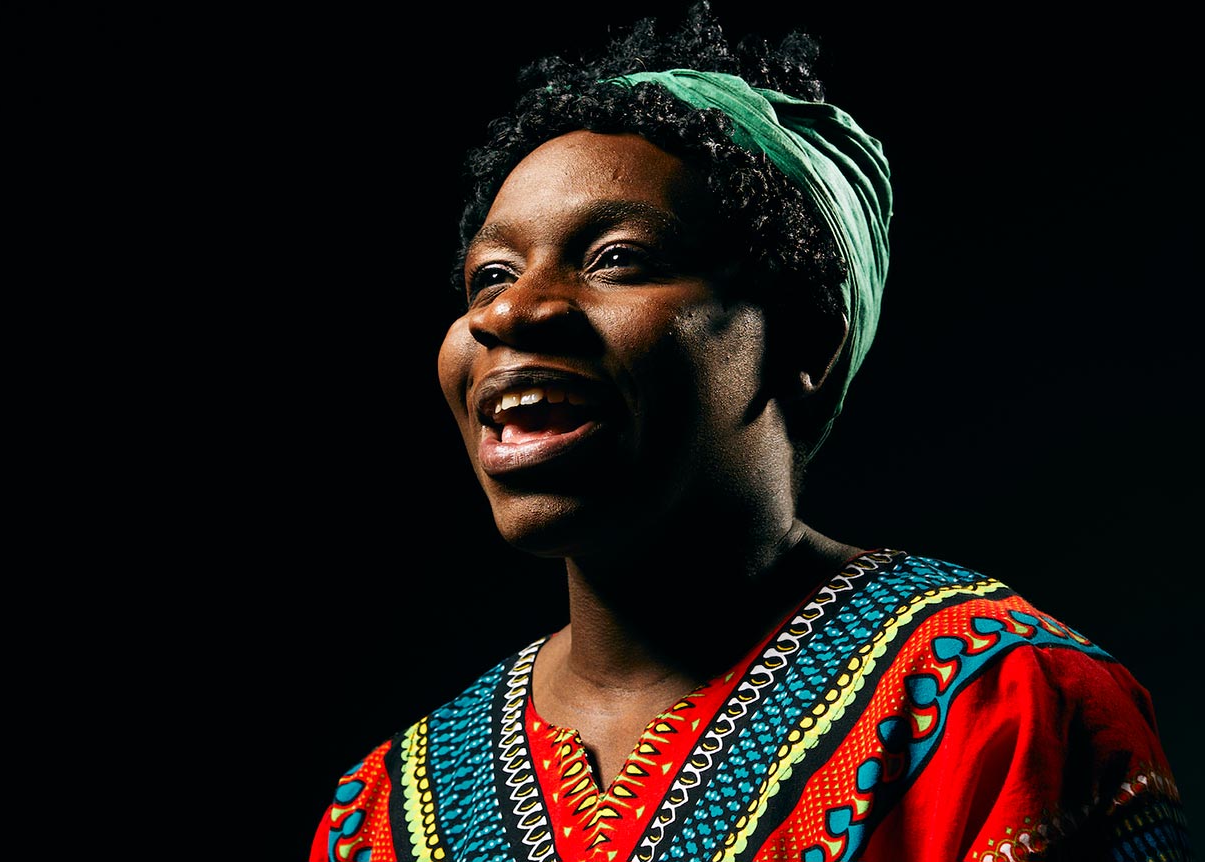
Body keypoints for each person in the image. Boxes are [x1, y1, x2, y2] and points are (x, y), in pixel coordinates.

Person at [308, 4, 1191, 860]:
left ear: (804, 336)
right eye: (488, 275)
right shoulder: (383, 811)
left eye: (617, 259)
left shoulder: (1002, 704)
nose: (513, 309)